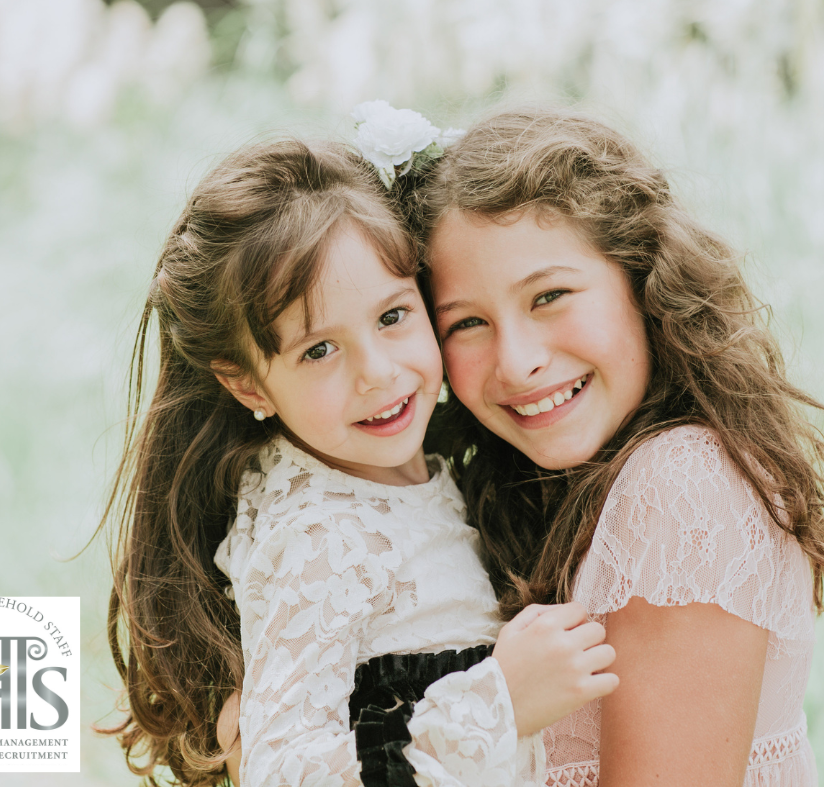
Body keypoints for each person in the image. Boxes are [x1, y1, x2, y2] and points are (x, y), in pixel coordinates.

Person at [102, 136, 620, 787]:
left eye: (394, 316)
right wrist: (500, 703)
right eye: (320, 351)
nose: (377, 373)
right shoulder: (322, 535)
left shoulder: (403, 474)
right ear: (248, 385)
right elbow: (285, 772)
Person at [416, 107, 824, 786]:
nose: (517, 363)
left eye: (549, 296)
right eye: (468, 324)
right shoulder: (549, 491)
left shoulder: (680, 484)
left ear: (644, 282)